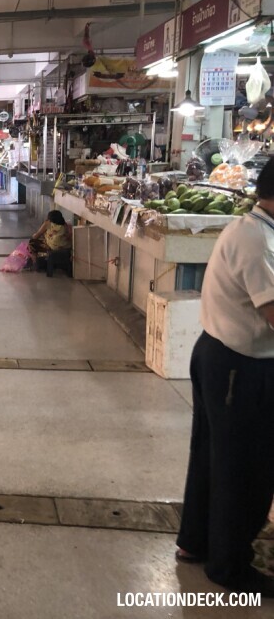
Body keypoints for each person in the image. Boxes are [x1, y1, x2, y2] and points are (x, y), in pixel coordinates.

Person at [176, 159, 274, 597]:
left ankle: (196, 543)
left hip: (219, 355)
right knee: (245, 469)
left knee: (213, 457)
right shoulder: (257, 241)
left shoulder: (250, 230)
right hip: (239, 365)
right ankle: (230, 566)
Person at [27, 210, 72, 276]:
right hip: (65, 248)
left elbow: (36, 236)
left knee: (31, 243)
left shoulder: (48, 224)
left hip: (51, 247)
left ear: (50, 219)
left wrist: (35, 236)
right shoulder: (66, 226)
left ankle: (35, 262)